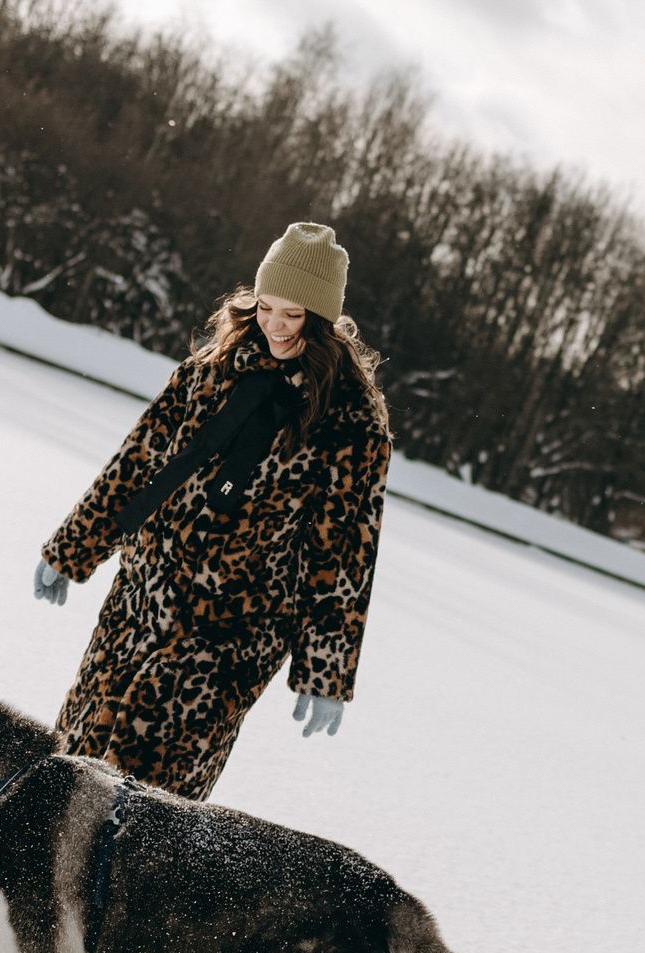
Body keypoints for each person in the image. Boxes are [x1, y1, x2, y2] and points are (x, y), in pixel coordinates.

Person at [33, 222, 393, 800]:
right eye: (266, 307)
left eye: (293, 315)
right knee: (69, 768)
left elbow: (344, 553)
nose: (275, 325)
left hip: (230, 634)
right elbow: (136, 464)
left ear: (322, 320)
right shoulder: (209, 373)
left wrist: (325, 667)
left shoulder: (350, 422)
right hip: (139, 597)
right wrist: (74, 548)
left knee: (147, 805)